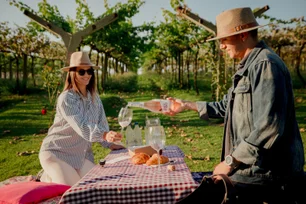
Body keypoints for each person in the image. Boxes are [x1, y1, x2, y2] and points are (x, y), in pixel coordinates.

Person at [167, 7, 305, 204]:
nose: (221, 46)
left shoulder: (265, 65)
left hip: (267, 175)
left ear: (243, 35)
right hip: (251, 170)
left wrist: (230, 162)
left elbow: (269, 127)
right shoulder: (248, 67)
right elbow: (226, 107)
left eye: (224, 39)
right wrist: (186, 105)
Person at [39, 51, 125, 186]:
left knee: (96, 186)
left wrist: (110, 142)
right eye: (81, 72)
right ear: (72, 73)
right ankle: (47, 176)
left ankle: (51, 176)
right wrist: (103, 135)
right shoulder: (67, 98)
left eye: (89, 71)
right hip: (57, 152)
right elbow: (82, 127)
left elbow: (102, 124)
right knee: (74, 189)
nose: (87, 75)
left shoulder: (95, 98)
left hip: (80, 156)